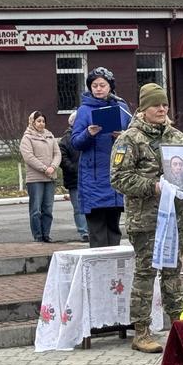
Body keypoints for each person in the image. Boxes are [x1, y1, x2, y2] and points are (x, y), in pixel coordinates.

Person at [110, 83, 183, 354]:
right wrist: (153, 186)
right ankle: (142, 331)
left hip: (174, 218)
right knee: (146, 274)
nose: (161, 109)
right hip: (146, 220)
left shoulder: (177, 137)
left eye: (164, 105)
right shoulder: (129, 139)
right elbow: (118, 178)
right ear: (143, 108)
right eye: (155, 105)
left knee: (173, 273)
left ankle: (179, 325)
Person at [71, 67, 131, 247]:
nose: (98, 89)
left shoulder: (121, 107)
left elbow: (134, 137)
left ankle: (115, 272)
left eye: (102, 85)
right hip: (93, 178)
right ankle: (99, 271)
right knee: (97, 232)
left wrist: (122, 136)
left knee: (114, 229)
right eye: (94, 85)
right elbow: (75, 142)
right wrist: (89, 133)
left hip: (115, 175)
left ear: (110, 87)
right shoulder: (84, 110)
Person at [20, 110, 61, 243]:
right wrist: (44, 168)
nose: (41, 124)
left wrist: (53, 167)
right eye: (38, 121)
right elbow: (29, 157)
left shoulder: (50, 136)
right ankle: (38, 236)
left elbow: (57, 154)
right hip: (35, 179)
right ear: (32, 122)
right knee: (36, 209)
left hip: (50, 177)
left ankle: (46, 234)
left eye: (43, 121)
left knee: (48, 209)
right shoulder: (27, 138)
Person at [58, 110, 88, 242]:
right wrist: (75, 169)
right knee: (78, 207)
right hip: (74, 179)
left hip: (87, 178)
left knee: (89, 206)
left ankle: (90, 229)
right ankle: (84, 231)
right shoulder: (65, 140)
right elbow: (63, 159)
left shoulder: (86, 136)